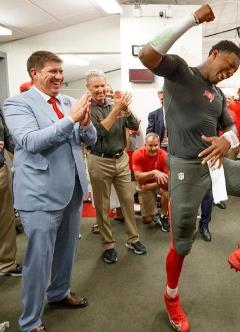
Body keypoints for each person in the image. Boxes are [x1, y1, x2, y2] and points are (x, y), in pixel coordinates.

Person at [139, 5, 240, 331]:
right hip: (184, 168)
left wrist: (228, 142)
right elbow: (147, 55)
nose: (231, 71)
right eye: (229, 64)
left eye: (236, 69)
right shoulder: (180, 71)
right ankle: (171, 297)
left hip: (218, 165)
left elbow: (232, 131)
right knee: (182, 242)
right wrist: (193, 19)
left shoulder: (219, 95)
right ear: (214, 53)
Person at [3, 50, 97, 332]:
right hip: (40, 194)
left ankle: (58, 293)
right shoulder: (16, 104)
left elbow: (88, 139)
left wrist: (86, 122)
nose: (59, 76)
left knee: (67, 251)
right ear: (34, 73)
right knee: (38, 260)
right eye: (52, 71)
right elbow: (31, 141)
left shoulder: (68, 101)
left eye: (60, 71)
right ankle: (30, 321)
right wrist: (70, 119)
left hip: (73, 188)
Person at [85, 69, 146, 264]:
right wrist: (116, 110)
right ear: (89, 89)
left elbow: (134, 125)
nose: (101, 90)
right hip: (99, 160)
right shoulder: (86, 110)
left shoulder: (116, 104)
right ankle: (108, 245)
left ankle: (133, 239)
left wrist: (126, 110)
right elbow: (97, 133)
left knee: (128, 201)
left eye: (103, 85)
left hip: (120, 160)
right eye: (97, 86)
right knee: (102, 206)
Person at [132, 132, 170, 232]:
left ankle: (163, 215)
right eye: (150, 145)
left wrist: (151, 186)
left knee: (167, 192)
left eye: (155, 145)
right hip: (144, 184)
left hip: (156, 184)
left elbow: (169, 180)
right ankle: (153, 208)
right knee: (147, 220)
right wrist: (154, 172)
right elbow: (138, 177)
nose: (153, 148)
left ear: (159, 145)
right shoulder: (137, 154)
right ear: (145, 145)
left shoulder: (164, 155)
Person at [0, 107, 21, 277]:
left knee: (5, 218)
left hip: (1, 171)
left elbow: (7, 136)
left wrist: (22, 158)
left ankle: (6, 263)